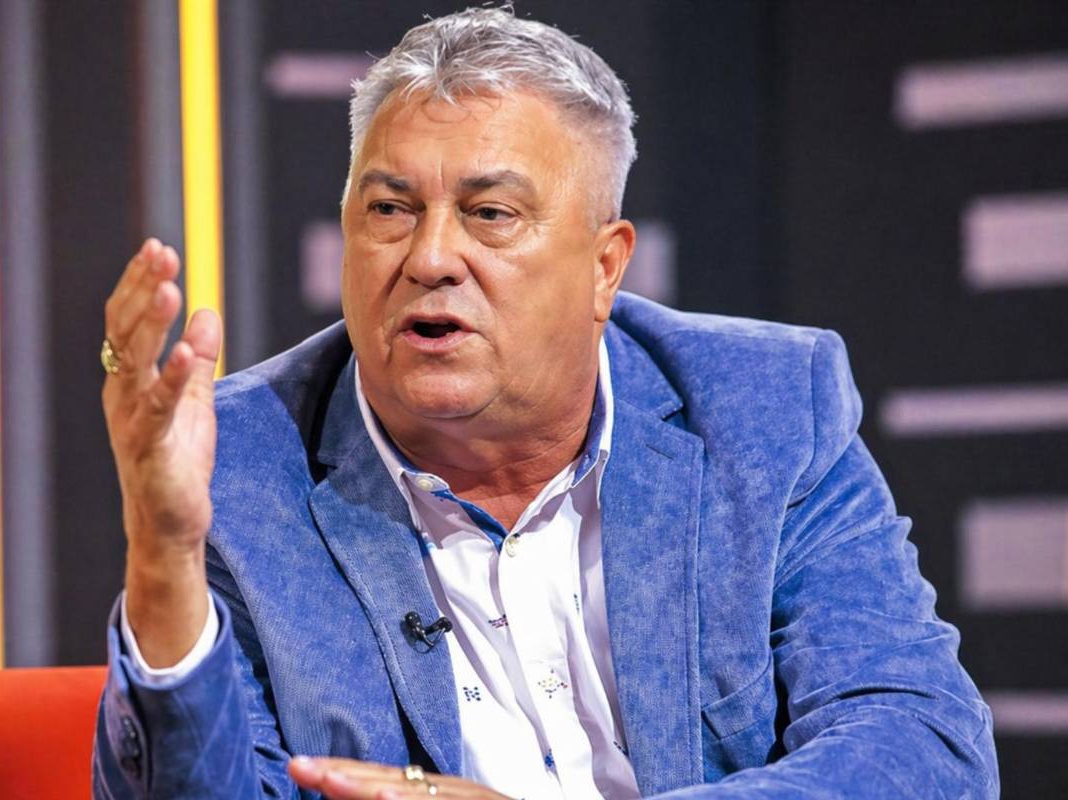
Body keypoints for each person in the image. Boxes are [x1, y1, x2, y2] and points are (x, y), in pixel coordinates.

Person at [93, 7, 998, 799]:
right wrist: (164, 560)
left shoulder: (762, 410)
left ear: (606, 266)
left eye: (490, 214)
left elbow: (923, 749)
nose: (429, 258)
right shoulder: (239, 469)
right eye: (390, 210)